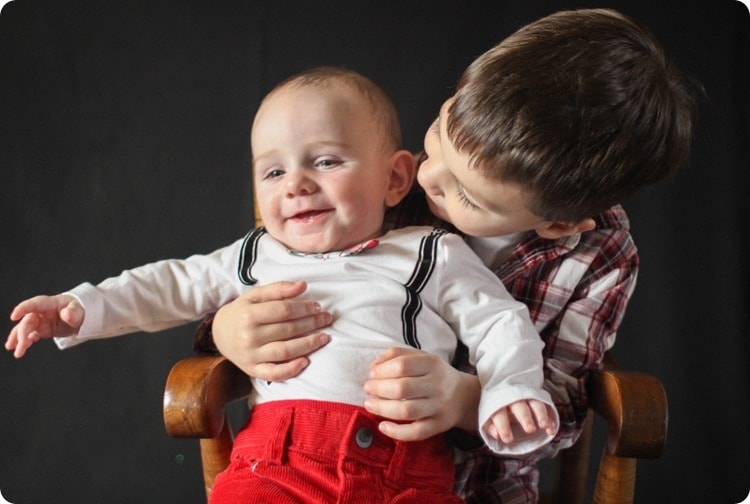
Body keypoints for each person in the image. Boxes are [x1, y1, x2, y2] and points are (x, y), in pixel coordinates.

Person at [199, 8, 698, 503]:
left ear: (559, 223)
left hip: (481, 485)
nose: (426, 177)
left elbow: (563, 411)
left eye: (468, 195)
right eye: (439, 135)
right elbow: (265, 277)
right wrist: (226, 330)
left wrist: (467, 401)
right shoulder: (378, 185)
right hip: (310, 469)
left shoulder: (601, 255)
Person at [6, 67, 559, 503]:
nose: (295, 184)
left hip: (405, 469)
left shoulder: (428, 252)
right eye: (273, 172)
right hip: (276, 461)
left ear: (394, 179)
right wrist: (83, 306)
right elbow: (169, 284)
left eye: (324, 160)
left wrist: (509, 389)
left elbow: (499, 322)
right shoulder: (255, 255)